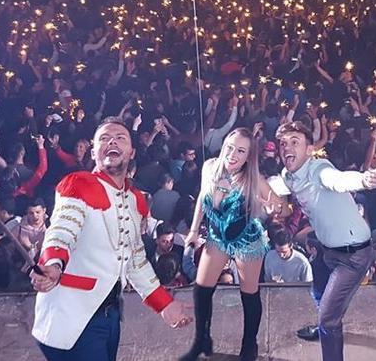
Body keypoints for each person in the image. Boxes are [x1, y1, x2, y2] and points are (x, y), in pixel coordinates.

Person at [30, 117, 191, 360]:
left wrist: (164, 304)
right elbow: (62, 231)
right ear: (94, 152)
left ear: (132, 151)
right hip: (73, 317)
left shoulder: (135, 200)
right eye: (104, 138)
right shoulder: (79, 183)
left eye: (120, 138)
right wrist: (53, 264)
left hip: (110, 315)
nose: (111, 141)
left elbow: (135, 260)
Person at [277, 121, 376, 361]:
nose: (287, 148)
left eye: (295, 142)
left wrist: (364, 181)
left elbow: (337, 179)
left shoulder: (319, 169)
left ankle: (327, 327)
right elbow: (276, 186)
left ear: (309, 150)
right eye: (283, 143)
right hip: (327, 250)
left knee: (329, 318)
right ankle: (325, 325)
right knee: (318, 293)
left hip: (353, 256)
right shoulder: (288, 175)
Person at [182, 127, 288, 361]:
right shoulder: (209, 167)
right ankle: (202, 340)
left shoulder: (254, 179)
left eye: (241, 151)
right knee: (201, 290)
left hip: (247, 240)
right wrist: (192, 230)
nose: (233, 155)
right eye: (230, 148)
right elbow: (202, 196)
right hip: (217, 236)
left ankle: (249, 345)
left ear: (249, 156)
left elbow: (283, 207)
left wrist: (275, 209)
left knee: (248, 293)